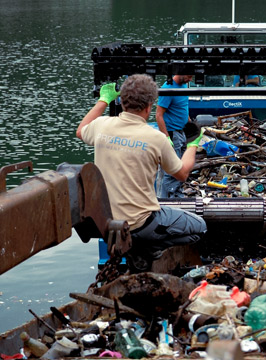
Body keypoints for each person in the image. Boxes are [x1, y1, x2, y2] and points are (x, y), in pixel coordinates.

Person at [76, 75, 207, 256]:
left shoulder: (101, 126)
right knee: (200, 228)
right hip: (140, 224)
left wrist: (103, 100)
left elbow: (80, 130)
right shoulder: (156, 139)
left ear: (122, 102)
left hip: (106, 222)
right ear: (149, 107)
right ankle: (148, 249)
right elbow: (183, 174)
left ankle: (137, 248)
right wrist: (193, 145)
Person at [156, 74, 193, 198]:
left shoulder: (183, 86)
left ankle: (176, 194)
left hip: (182, 132)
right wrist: (166, 137)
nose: (190, 79)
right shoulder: (168, 88)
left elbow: (183, 109)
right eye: (189, 76)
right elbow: (159, 115)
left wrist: (191, 127)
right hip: (173, 133)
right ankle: (165, 199)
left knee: (181, 167)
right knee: (171, 170)